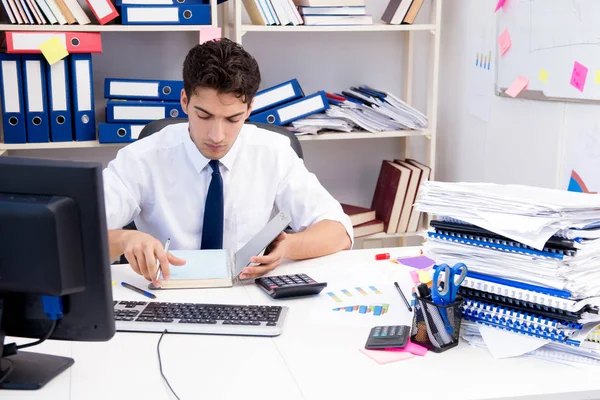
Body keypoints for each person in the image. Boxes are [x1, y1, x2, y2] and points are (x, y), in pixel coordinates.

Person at [103, 38, 353, 287]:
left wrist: (288, 247)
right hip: (167, 293)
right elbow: (76, 233)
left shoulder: (273, 152)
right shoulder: (141, 157)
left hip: (248, 294)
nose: (217, 136)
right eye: (204, 116)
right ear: (184, 101)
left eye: (232, 119)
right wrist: (125, 239)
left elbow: (338, 231)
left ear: (249, 108)